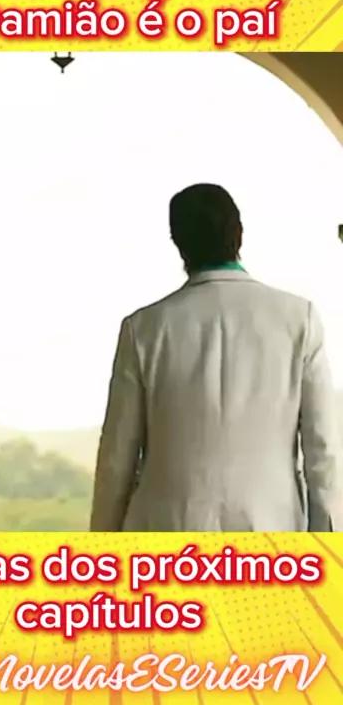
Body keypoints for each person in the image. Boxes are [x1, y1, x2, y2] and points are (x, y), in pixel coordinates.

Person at [90, 183, 341, 532]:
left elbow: (117, 458)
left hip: (166, 531)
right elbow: (323, 450)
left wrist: (103, 544)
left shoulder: (143, 329)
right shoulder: (299, 318)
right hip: (271, 530)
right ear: (239, 233)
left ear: (178, 242)